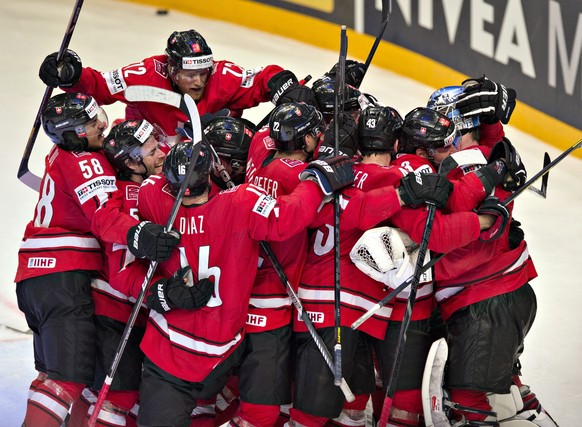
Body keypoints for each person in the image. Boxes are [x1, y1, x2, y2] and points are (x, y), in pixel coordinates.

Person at [110, 139, 356, 427]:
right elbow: (287, 217)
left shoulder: (152, 193)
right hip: (221, 346)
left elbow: (113, 224)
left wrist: (153, 283)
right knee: (235, 410)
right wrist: (316, 183)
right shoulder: (242, 201)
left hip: (168, 347)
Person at [14, 93, 180, 427]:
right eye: (92, 124)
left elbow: (123, 139)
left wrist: (72, 82)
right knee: (67, 379)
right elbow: (105, 218)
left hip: (35, 276)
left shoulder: (60, 151)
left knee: (58, 377)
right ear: (73, 134)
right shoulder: (88, 161)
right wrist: (138, 234)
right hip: (64, 277)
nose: (102, 125)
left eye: (98, 117)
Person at [38, 29, 314, 139]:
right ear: (171, 68)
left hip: (202, 163)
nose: (199, 81)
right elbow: (98, 86)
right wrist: (71, 75)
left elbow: (263, 78)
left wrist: (285, 86)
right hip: (146, 161)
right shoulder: (144, 74)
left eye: (203, 72)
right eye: (189, 74)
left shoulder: (222, 76)